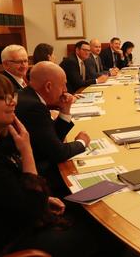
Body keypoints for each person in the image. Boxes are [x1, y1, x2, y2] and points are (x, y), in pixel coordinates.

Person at [0, 70, 116, 256]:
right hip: (7, 242)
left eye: (12, 95)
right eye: (2, 97)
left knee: (94, 211)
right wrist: (27, 150)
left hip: (12, 224)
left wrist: (44, 200)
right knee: (102, 229)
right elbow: (31, 209)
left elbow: (6, 194)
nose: (13, 102)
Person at [16, 61, 90, 191]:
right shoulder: (34, 107)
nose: (66, 90)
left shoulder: (28, 96)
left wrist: (65, 110)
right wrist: (82, 142)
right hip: (40, 175)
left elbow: (52, 139)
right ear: (48, 86)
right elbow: (58, 152)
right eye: (63, 85)